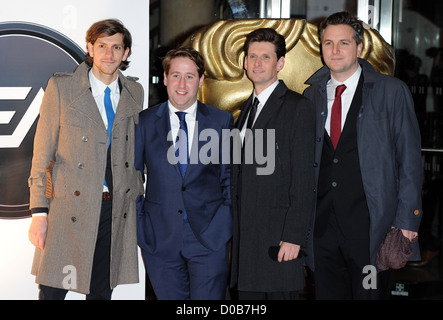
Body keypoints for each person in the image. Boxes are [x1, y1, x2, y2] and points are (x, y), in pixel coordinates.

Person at [303, 11, 423, 299]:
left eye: (343, 43)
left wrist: (407, 221)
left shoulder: (391, 91)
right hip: (323, 229)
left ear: (359, 48)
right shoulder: (311, 95)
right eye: (328, 43)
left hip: (372, 229)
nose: (334, 50)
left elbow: (409, 160)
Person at [27, 19, 144, 300]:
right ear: (90, 48)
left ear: (126, 53)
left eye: (116, 47)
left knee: (102, 292)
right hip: (67, 207)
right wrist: (39, 213)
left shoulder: (134, 93)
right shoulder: (62, 88)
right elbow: (43, 153)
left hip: (112, 209)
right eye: (102, 45)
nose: (109, 53)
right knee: (54, 289)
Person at [135, 47, 233, 300]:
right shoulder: (143, 122)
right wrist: (141, 224)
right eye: (176, 75)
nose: (182, 83)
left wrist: (222, 227)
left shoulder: (221, 122)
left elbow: (230, 178)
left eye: (190, 76)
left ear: (201, 81)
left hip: (209, 238)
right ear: (165, 78)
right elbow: (132, 177)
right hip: (160, 238)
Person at [230, 28, 316, 300]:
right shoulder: (245, 110)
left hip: (277, 240)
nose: (257, 63)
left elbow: (304, 179)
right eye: (252, 56)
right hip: (246, 241)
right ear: (244, 62)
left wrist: (293, 236)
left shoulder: (297, 107)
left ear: (280, 64)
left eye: (265, 57)